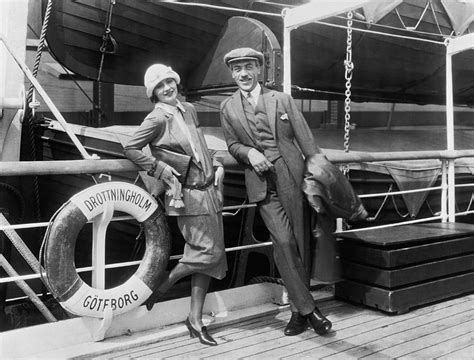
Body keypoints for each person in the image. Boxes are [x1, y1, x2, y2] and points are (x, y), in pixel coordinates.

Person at [219, 48, 331, 336]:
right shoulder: (227, 108)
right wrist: (249, 153)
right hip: (260, 183)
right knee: (283, 243)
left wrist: (319, 180)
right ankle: (310, 310)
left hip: (291, 176)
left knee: (301, 244)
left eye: (248, 67)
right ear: (232, 73)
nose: (243, 73)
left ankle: (297, 313)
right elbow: (232, 145)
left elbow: (307, 142)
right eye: (237, 69)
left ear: (259, 70)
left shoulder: (281, 99)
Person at [124, 64, 227, 346]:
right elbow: (130, 147)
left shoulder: (188, 109)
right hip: (187, 195)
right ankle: (162, 285)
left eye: (169, 82)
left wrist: (215, 163)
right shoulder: (156, 119)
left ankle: (194, 319)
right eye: (160, 86)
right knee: (207, 253)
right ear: (153, 93)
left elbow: (199, 146)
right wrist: (158, 168)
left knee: (212, 258)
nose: (167, 88)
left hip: (209, 192)